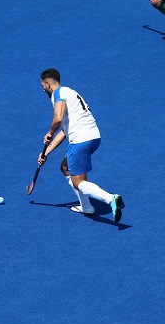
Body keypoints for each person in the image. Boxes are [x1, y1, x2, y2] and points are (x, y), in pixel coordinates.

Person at [38, 69, 124, 222]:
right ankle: (86, 206)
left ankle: (110, 199)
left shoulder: (58, 94)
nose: (43, 89)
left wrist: (50, 132)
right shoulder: (70, 93)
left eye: (43, 85)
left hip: (80, 140)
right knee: (65, 167)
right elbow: (64, 131)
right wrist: (46, 152)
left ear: (48, 83)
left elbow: (58, 119)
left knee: (79, 183)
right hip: (93, 138)